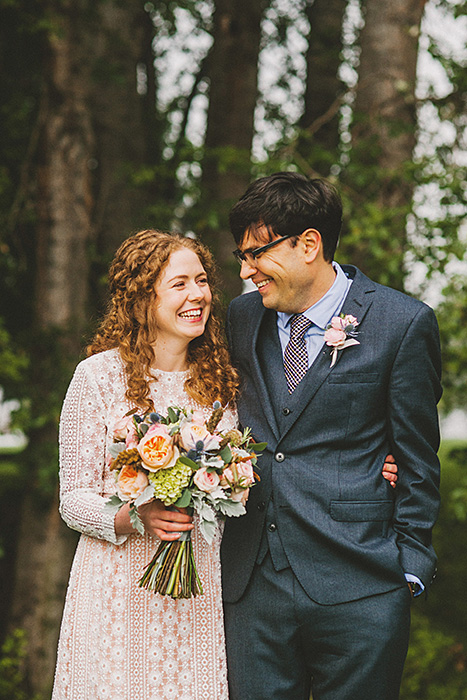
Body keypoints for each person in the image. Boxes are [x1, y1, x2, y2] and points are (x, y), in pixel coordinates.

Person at [220, 172, 442, 700]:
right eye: (242, 256)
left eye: (257, 253)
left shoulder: (401, 323)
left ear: (309, 244)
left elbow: (416, 457)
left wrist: (408, 567)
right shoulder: (240, 317)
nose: (247, 270)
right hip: (253, 588)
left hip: (360, 584)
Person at [52, 230, 239, 700]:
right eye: (179, 284)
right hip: (116, 587)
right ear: (140, 300)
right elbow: (73, 500)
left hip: (194, 591)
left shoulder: (220, 385)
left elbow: (241, 473)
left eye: (201, 280)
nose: (197, 295)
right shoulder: (97, 377)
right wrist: (137, 515)